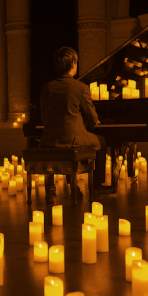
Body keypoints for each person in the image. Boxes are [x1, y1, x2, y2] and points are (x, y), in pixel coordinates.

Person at [39, 46, 113, 195]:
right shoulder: (81, 87)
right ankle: (97, 185)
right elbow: (92, 118)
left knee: (67, 146)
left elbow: (44, 118)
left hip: (49, 139)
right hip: (71, 140)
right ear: (73, 63)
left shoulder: (46, 88)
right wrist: (92, 123)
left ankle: (73, 184)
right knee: (102, 142)